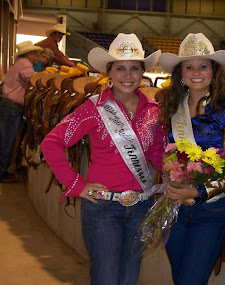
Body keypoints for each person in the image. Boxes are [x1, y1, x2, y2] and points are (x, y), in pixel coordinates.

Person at [40, 33, 164, 285]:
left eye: (134, 69)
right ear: (109, 72)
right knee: (106, 279)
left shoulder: (153, 110)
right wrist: (77, 185)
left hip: (140, 207)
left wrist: (177, 174)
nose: (127, 76)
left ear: (142, 73)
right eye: (120, 68)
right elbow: (51, 143)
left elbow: (156, 153)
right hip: (102, 209)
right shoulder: (93, 109)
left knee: (128, 279)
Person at [158, 33, 225, 285]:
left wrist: (195, 192)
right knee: (179, 278)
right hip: (174, 207)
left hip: (210, 210)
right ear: (180, 73)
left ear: (214, 72)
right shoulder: (172, 107)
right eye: (189, 66)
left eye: (203, 66)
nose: (196, 72)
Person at [0, 41, 42, 183]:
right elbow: (33, 79)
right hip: (13, 107)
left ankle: (3, 170)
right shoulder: (25, 64)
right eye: (35, 54)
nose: (37, 57)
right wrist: (47, 76)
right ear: (29, 54)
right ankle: (1, 172)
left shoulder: (19, 63)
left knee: (6, 139)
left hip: (8, 106)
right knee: (8, 140)